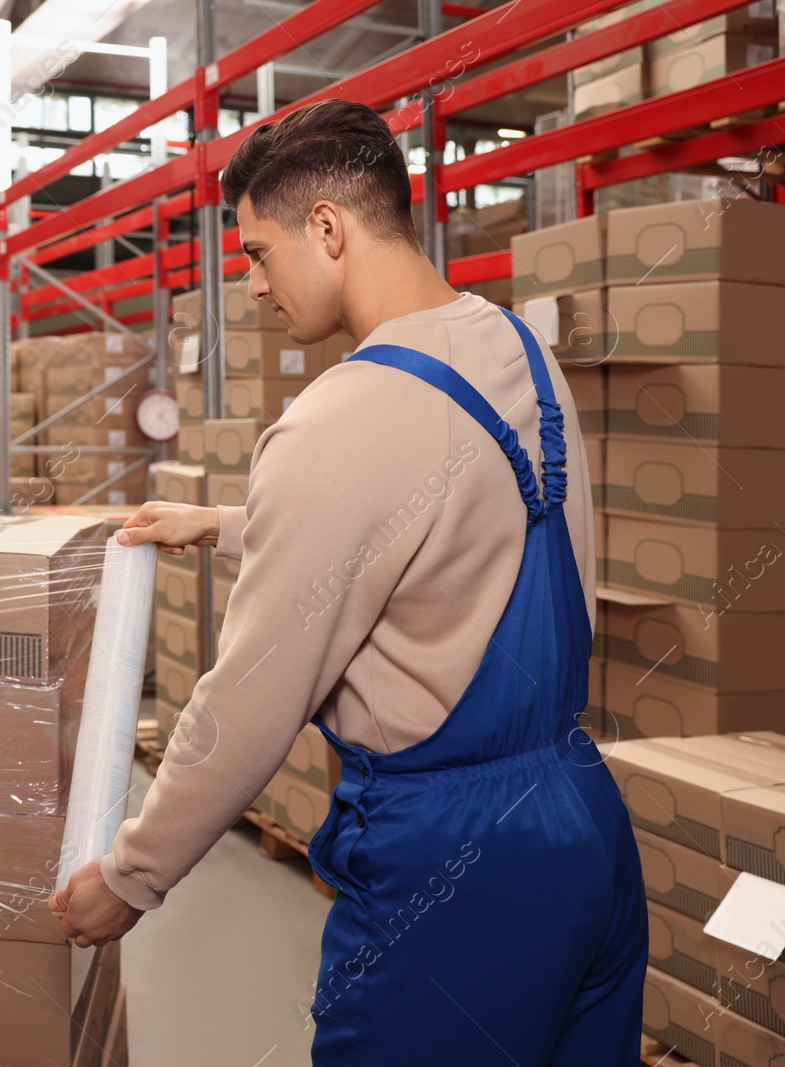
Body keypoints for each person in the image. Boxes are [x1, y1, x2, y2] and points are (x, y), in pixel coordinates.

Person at [47, 99, 647, 1065]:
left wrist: (133, 872)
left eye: (255, 252)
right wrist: (232, 525)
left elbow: (246, 702)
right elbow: (457, 530)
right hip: (581, 827)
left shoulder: (338, 418)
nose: (249, 287)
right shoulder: (518, 349)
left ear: (328, 231)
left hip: (453, 864)